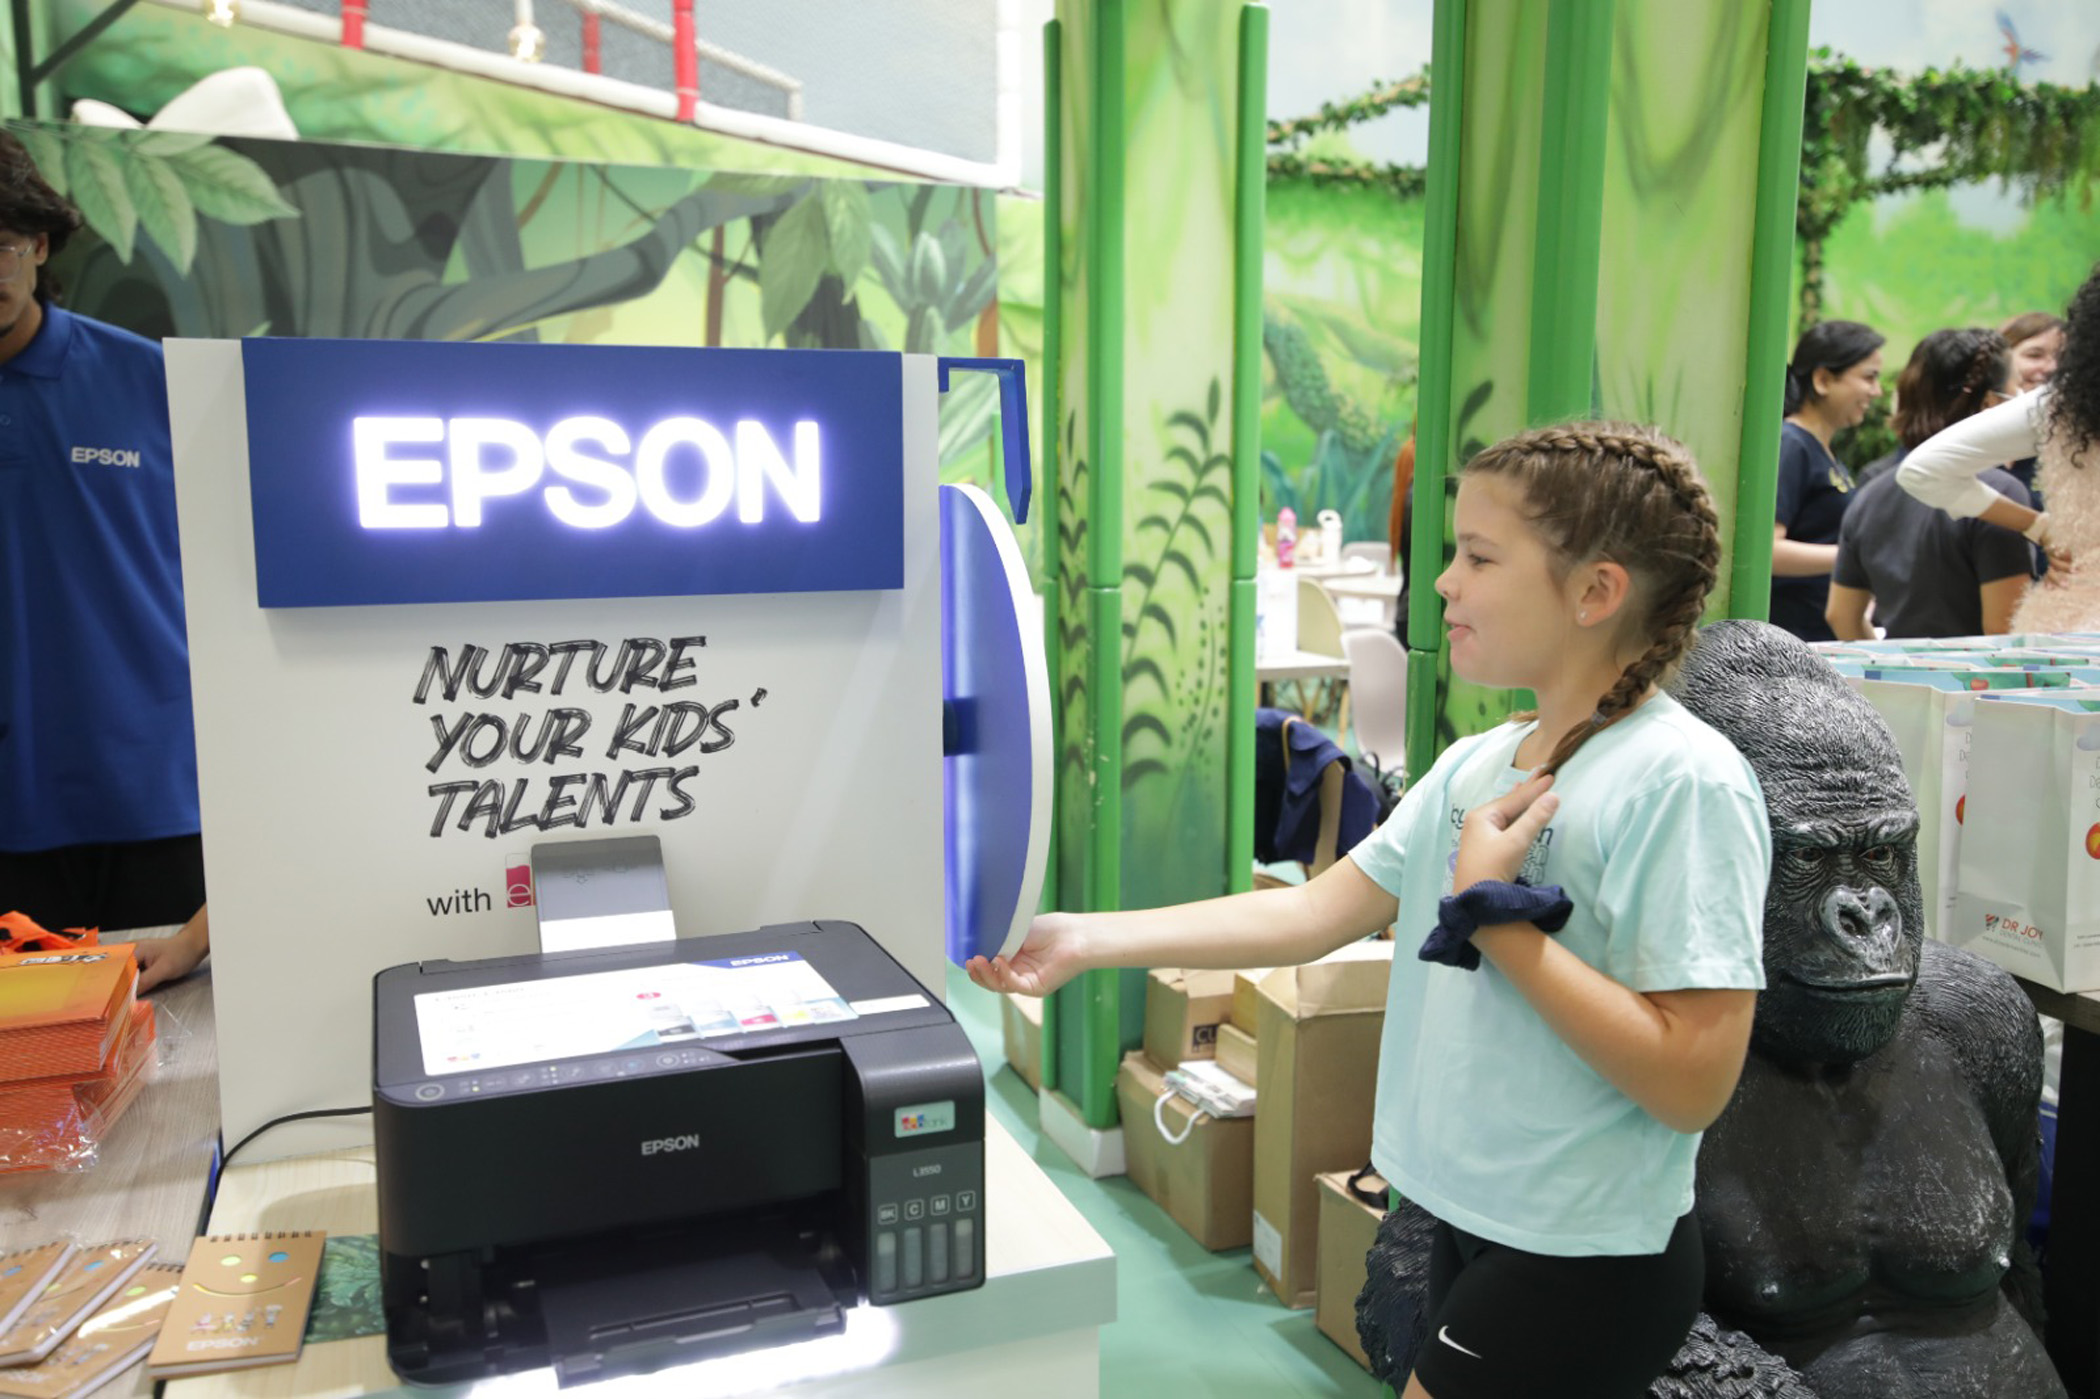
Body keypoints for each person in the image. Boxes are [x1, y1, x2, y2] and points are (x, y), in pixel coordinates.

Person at [974, 423, 1770, 1399]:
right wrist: (1084, 939)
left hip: (1584, 1250)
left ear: (1595, 592)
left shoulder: (1684, 781)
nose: (1442, 582)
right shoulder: (1481, 762)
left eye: (1478, 557)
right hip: (1472, 1215)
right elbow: (1316, 911)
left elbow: (1692, 1080)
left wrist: (1494, 918)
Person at [0, 131, 206, 990]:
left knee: (189, 1052)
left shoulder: (150, 382)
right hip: (12, 821)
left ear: (40, 245)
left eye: (1, 247)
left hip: (154, 797)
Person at [1899, 262, 2100, 634]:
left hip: (2069, 630)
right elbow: (1922, 470)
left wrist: (2039, 526)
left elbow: (1923, 469)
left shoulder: (2058, 406)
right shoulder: (2059, 406)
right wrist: (2037, 524)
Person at [1827, 329, 2034, 640]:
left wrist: (1891, 661)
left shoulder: (1871, 495)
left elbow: (1841, 616)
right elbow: (2003, 630)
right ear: (1990, 403)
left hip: (1895, 670)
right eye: (2016, 388)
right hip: (1977, 673)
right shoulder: (2002, 495)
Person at [1772, 319, 1884, 642]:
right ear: (1822, 380)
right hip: (1796, 639)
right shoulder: (1792, 444)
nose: (1876, 391)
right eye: (1869, 377)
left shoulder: (1823, 452)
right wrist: (1852, 559)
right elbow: (1769, 551)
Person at [1997, 310, 2065, 504]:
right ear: (1999, 359)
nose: (2052, 367)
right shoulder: (1961, 428)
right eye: (2034, 355)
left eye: (2063, 357)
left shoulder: (2073, 442)